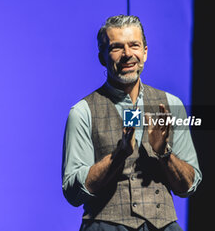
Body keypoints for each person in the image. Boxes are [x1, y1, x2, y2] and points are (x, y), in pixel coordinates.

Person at [62, 15, 202, 231]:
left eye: (134, 45)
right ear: (102, 57)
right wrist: (119, 155)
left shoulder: (171, 105)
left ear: (145, 52)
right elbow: (73, 193)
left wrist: (164, 152)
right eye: (116, 47)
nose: (127, 54)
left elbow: (189, 185)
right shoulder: (82, 112)